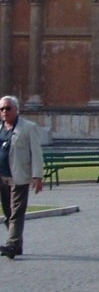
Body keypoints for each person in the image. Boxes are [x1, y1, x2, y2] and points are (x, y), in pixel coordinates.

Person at [0, 95, 44, 259]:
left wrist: (37, 176)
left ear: (16, 110)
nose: (4, 112)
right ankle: (17, 245)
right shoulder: (0, 128)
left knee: (16, 213)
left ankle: (12, 245)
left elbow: (37, 153)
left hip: (19, 176)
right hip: (2, 177)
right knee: (8, 213)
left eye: (8, 108)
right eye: (2, 109)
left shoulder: (28, 127)